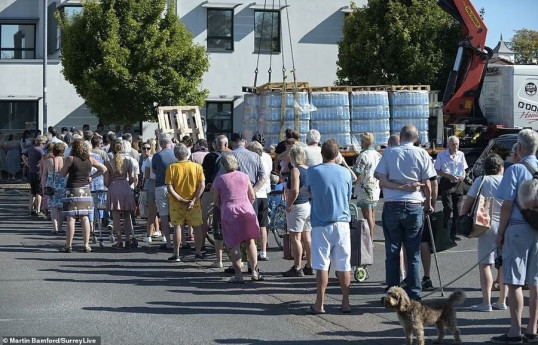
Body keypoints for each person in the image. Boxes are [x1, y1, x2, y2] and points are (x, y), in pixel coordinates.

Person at [374, 125, 436, 301]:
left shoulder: (390, 153)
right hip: (414, 204)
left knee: (392, 251)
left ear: (401, 137)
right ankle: (414, 293)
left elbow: (381, 179)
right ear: (416, 138)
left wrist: (399, 186)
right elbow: (428, 183)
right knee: (413, 251)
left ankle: (393, 292)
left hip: (393, 203)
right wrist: (429, 204)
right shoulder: (422, 153)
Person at [491, 129, 538, 344]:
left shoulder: (515, 170)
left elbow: (507, 204)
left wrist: (500, 234)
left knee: (515, 282)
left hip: (518, 228)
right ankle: (532, 328)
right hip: (537, 229)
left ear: (519, 147)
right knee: (535, 281)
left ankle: (515, 331)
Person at [305, 139, 353, 314]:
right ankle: (345, 302)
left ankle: (320, 303)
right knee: (344, 264)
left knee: (321, 265)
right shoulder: (346, 173)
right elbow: (348, 196)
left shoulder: (313, 171)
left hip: (321, 223)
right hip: (342, 222)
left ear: (322, 153)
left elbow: (307, 190)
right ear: (337, 154)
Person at [460, 154, 508, 312]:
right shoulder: (507, 181)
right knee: (504, 264)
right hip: (506, 225)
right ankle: (502, 300)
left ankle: (486, 302)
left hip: (486, 224)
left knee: (486, 264)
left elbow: (469, 201)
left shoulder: (481, 180)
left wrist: (462, 216)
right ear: (501, 167)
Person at [212, 153, 262, 283]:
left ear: (223, 165)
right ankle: (255, 272)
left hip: (229, 212)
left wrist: (224, 206)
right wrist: (245, 204)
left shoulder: (220, 179)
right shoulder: (245, 176)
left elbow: (215, 200)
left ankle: (238, 274)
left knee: (234, 243)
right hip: (246, 209)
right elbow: (252, 196)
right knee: (250, 241)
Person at [59, 139, 107, 253]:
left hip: (72, 189)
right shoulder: (90, 159)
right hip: (85, 190)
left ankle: (68, 245)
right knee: (84, 217)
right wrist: (92, 177)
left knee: (71, 218)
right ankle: (86, 244)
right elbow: (103, 169)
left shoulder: (70, 159)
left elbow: (62, 173)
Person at [166, 144, 206, 262]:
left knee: (178, 226)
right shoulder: (197, 167)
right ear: (187, 154)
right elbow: (202, 185)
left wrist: (179, 199)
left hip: (177, 203)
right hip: (194, 202)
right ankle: (198, 252)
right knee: (197, 226)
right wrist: (194, 199)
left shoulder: (172, 168)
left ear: (175, 155)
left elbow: (169, 187)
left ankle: (176, 254)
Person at [282, 145, 313, 277]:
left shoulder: (295, 170)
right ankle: (310, 265)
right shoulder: (308, 169)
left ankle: (297, 266)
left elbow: (295, 189)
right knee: (307, 237)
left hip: (297, 205)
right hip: (307, 205)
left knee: (296, 237)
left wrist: (289, 204)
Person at [202, 135, 231, 268]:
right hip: (228, 192)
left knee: (205, 217)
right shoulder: (231, 156)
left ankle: (201, 244)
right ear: (226, 144)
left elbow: (204, 172)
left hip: (210, 189)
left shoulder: (209, 156)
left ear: (215, 144)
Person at [105, 140, 137, 249]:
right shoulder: (128, 161)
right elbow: (132, 178)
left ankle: (119, 241)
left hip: (114, 187)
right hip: (125, 186)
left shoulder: (108, 163)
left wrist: (111, 185)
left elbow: (106, 181)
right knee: (127, 216)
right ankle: (128, 239)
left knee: (116, 217)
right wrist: (127, 184)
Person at [435, 136, 468, 241]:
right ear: (448, 144)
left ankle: (453, 233)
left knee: (457, 211)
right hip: (447, 183)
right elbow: (437, 171)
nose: (456, 146)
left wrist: (463, 176)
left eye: (457, 144)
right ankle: (444, 232)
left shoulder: (461, 154)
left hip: (458, 184)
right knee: (448, 209)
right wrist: (448, 176)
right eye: (453, 144)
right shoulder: (441, 156)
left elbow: (464, 169)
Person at [352, 132, 382, 242]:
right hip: (375, 185)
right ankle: (371, 237)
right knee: (372, 213)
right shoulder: (378, 155)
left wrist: (353, 177)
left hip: (365, 186)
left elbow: (358, 171)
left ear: (364, 142)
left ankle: (369, 239)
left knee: (367, 214)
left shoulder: (363, 155)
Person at [247, 137, 272, 261]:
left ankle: (252, 250)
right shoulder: (267, 157)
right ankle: (263, 252)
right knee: (263, 224)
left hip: (254, 193)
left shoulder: (251, 159)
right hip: (265, 193)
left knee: (252, 224)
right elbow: (269, 173)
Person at [152, 134, 178, 251]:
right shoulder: (176, 154)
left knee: (163, 215)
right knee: (178, 214)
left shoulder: (157, 156)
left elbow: (154, 170)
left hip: (161, 186)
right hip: (176, 187)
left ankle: (168, 241)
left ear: (161, 143)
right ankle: (181, 240)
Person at [141, 141, 160, 243]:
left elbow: (147, 176)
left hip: (150, 184)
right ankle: (156, 230)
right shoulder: (144, 159)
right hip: (151, 183)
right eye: (144, 148)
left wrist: (144, 187)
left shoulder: (149, 159)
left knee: (151, 209)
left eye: (148, 148)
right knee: (153, 210)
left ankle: (151, 232)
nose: (146, 150)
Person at [24, 135, 47, 216]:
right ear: (41, 143)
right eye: (44, 143)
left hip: (31, 171)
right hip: (38, 172)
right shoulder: (40, 151)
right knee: (39, 192)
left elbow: (23, 156)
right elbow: (44, 160)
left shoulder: (30, 148)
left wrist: (28, 164)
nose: (44, 145)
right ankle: (38, 210)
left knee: (32, 192)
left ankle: (31, 209)